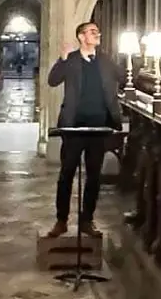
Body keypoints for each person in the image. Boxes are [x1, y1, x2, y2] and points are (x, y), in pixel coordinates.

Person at [45, 22, 123, 239]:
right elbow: (52, 81)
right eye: (91, 31)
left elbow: (124, 78)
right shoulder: (70, 61)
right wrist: (61, 59)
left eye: (97, 31)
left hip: (100, 126)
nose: (97, 34)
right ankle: (61, 221)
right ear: (81, 36)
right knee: (66, 174)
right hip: (73, 126)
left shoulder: (106, 60)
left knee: (94, 176)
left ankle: (87, 220)